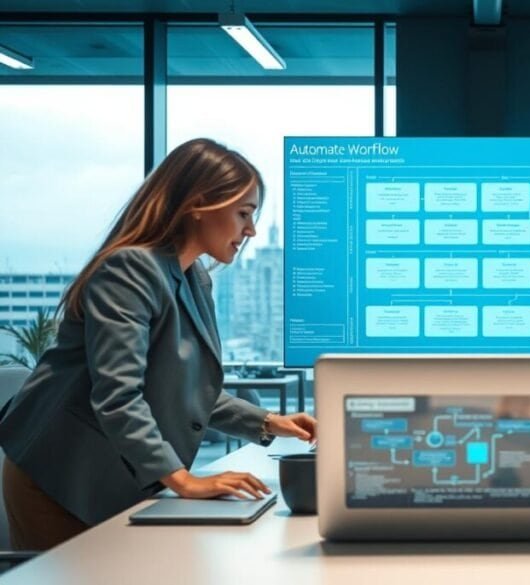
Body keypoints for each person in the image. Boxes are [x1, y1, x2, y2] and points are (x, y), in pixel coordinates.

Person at [0, 138, 317, 550]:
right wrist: (184, 480)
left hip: (112, 473)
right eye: (244, 213)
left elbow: (183, 388)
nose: (251, 230)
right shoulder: (129, 270)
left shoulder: (194, 278)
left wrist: (269, 422)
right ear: (199, 204)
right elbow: (118, 396)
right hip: (60, 477)